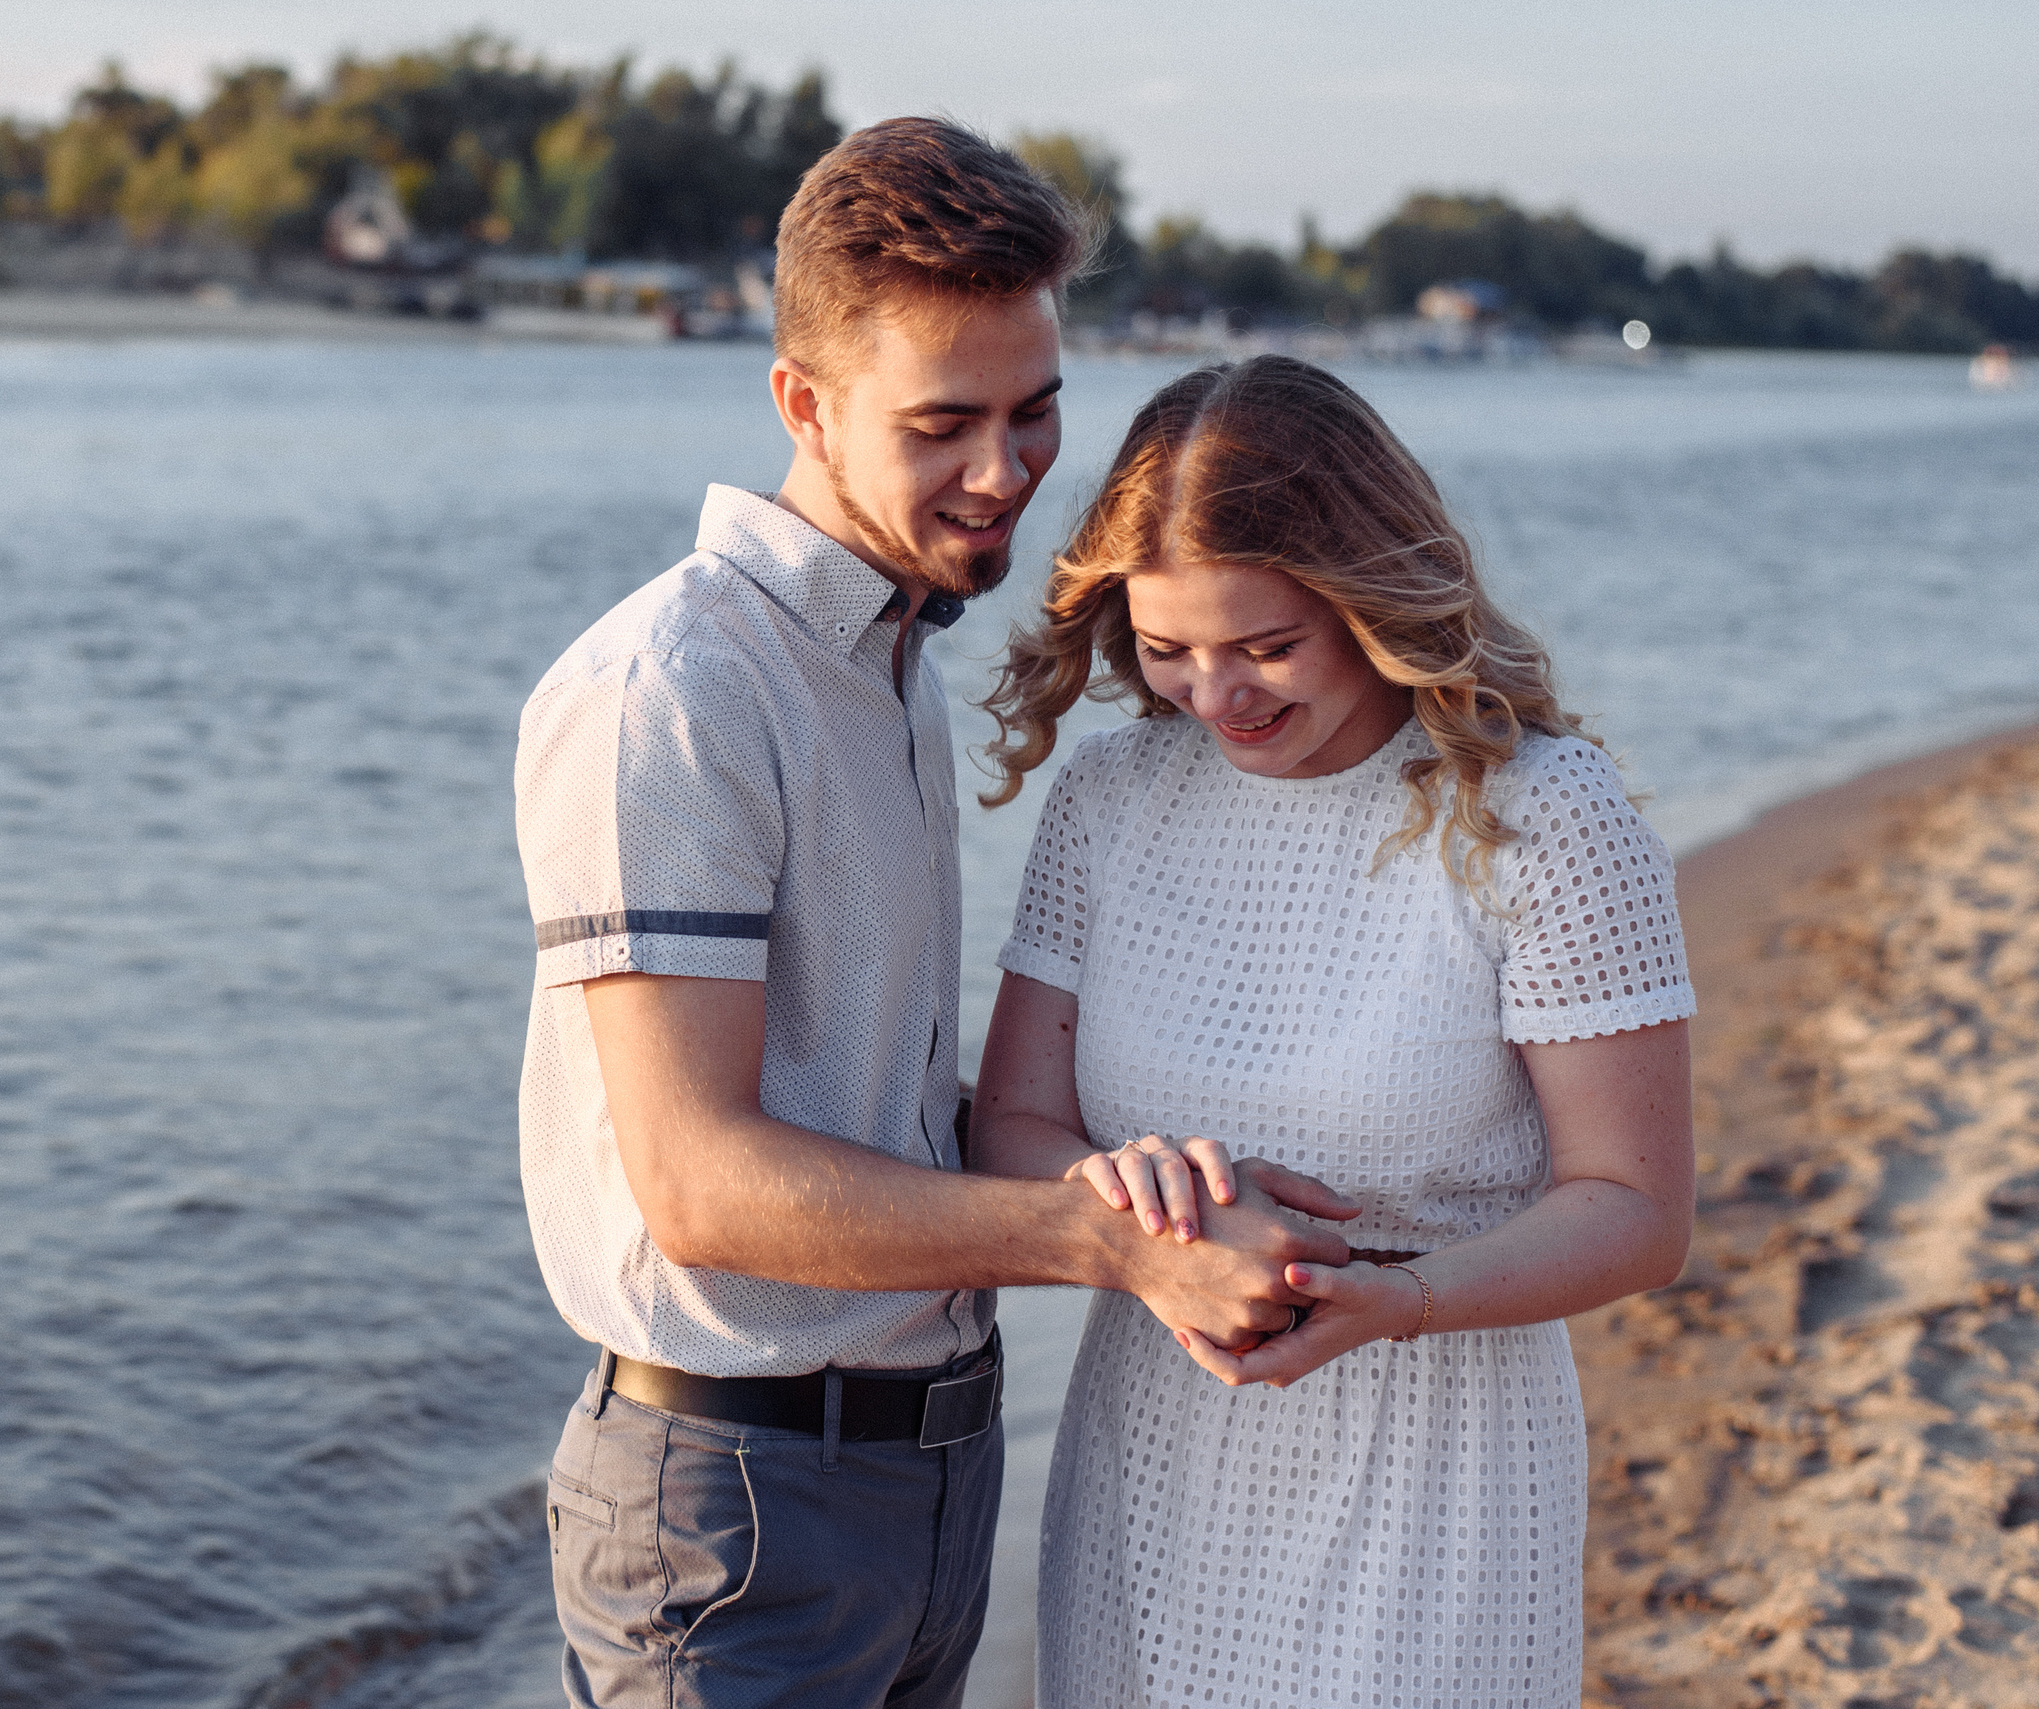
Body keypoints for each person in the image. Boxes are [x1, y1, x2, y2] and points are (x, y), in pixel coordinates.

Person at [513, 125, 1361, 1709]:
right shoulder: (677, 689)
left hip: (924, 1484)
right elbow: (700, 1183)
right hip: (733, 1511)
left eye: (1035, 411)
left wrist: (1173, 1179)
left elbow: (876, 1114)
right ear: (803, 406)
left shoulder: (891, 656)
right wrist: (1116, 1244)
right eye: (942, 424)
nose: (1002, 472)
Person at [969, 355, 1696, 1707]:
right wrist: (1130, 1210)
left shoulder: (1547, 814)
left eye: (1265, 646)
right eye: (1170, 649)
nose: (1215, 694)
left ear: (1370, 597)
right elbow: (1011, 1121)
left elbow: (1639, 1206)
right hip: (1155, 1444)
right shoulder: (1111, 802)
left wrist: (1396, 1301)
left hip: (1438, 1469)